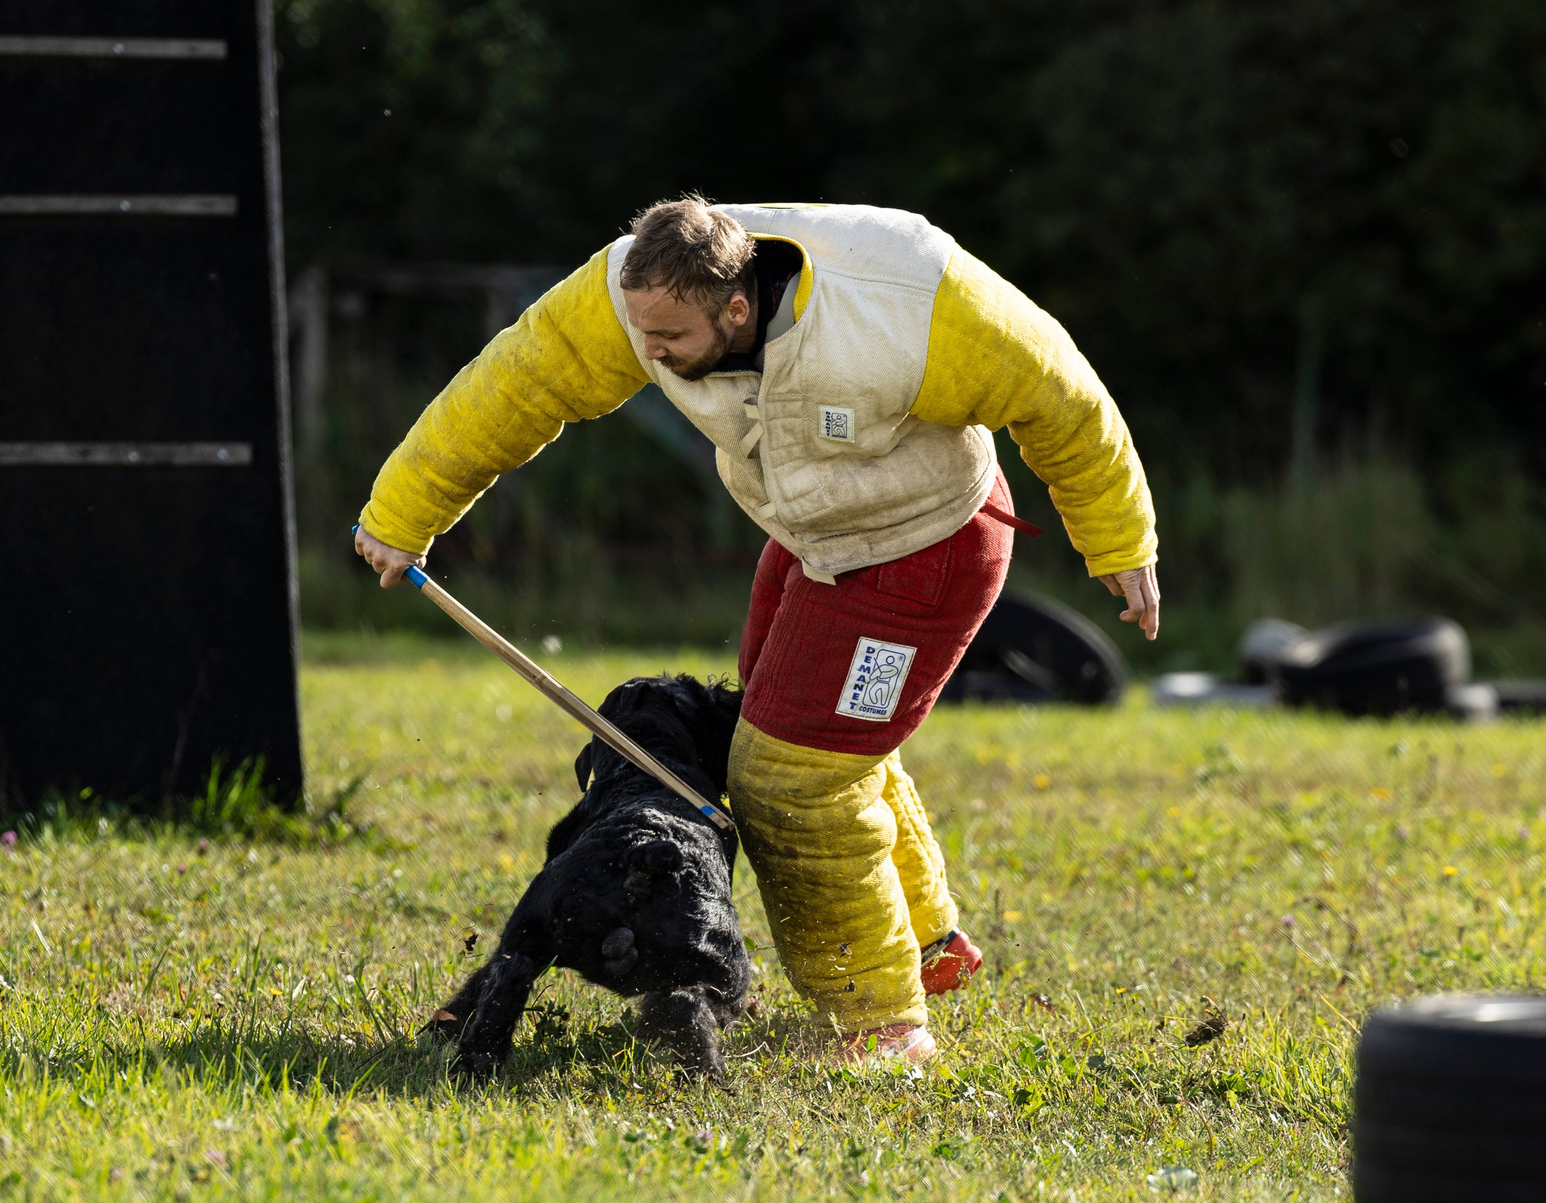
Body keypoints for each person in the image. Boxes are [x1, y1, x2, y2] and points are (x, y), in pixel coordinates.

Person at [353, 197, 1158, 1065]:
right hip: (811, 536)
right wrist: (405, 511)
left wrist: (1116, 539)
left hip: (926, 546)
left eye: (669, 338)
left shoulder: (906, 297)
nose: (647, 354)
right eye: (640, 333)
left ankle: (883, 1023)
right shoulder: (635, 290)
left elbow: (1062, 396)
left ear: (737, 308)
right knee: (799, 736)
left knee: (795, 774)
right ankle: (930, 947)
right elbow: (513, 385)